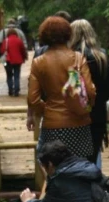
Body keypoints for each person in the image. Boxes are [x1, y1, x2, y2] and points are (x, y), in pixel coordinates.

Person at [27, 16, 96, 162]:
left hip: (52, 124)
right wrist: (88, 106)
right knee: (79, 166)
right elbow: (89, 91)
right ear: (67, 34)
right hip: (79, 122)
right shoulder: (78, 58)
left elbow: (33, 99)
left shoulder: (38, 62)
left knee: (54, 166)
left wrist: (47, 109)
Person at [70, 19, 109, 164]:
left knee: (73, 157)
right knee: (92, 156)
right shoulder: (102, 56)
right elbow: (108, 92)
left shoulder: (70, 57)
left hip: (74, 114)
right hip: (98, 113)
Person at [27, 11, 73, 133]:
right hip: (74, 116)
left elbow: (33, 94)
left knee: (47, 150)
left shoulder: (39, 57)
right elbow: (85, 90)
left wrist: (44, 110)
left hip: (50, 116)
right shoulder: (76, 56)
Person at [0, 28, 27, 97]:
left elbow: (2, 51)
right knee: (16, 76)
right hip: (17, 61)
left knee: (9, 76)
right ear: (15, 33)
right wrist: (24, 57)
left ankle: (10, 91)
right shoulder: (19, 40)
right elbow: (23, 50)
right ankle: (16, 91)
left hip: (7, 61)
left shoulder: (5, 41)